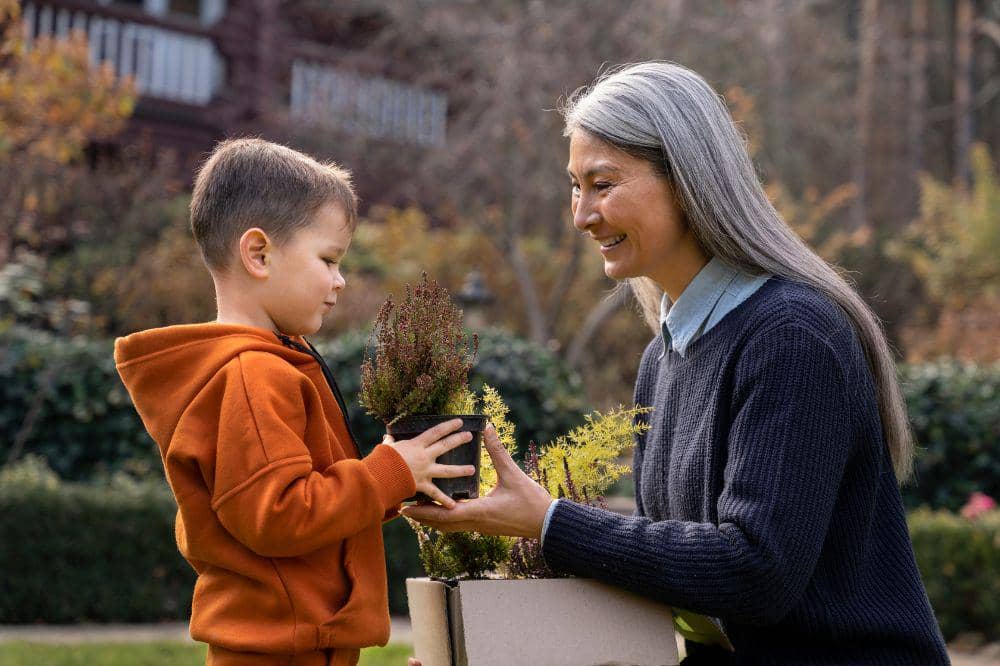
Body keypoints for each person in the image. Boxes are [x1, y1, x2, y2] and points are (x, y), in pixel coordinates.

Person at [403, 63, 950, 665]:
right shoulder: (663, 357)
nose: (581, 215)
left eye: (603, 184)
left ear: (688, 179)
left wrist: (550, 522)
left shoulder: (792, 337)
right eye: (576, 186)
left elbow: (755, 572)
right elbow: (681, 589)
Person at [114, 138, 475, 666]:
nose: (340, 280)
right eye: (328, 259)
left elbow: (305, 511)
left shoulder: (273, 362)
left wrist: (397, 479)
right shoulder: (253, 374)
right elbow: (279, 516)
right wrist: (386, 473)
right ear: (258, 254)